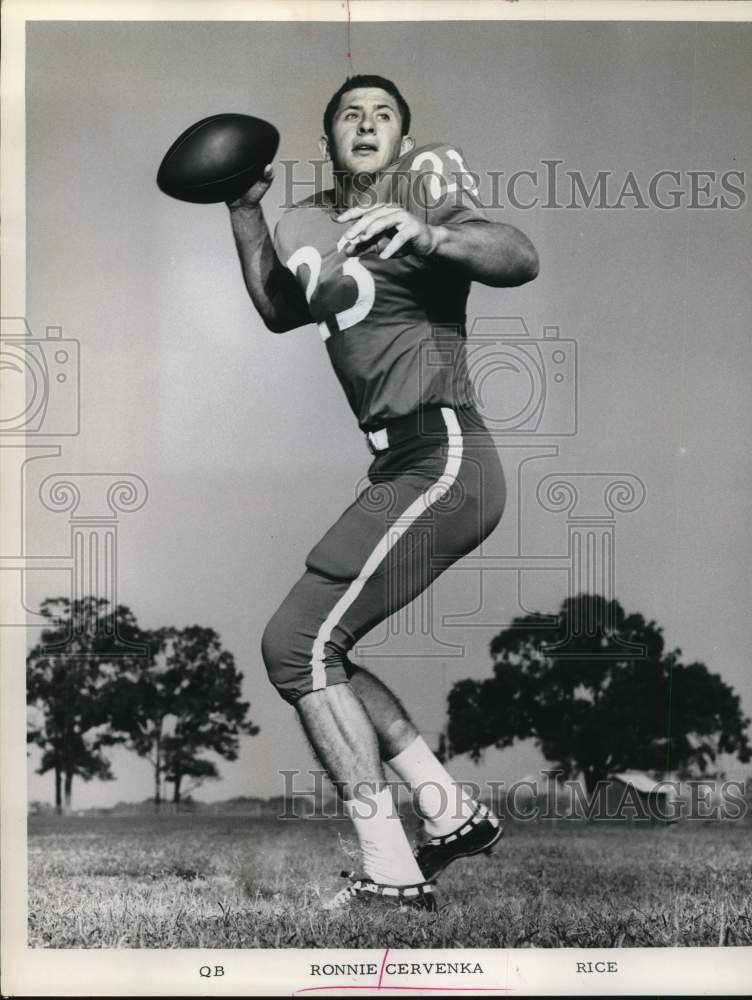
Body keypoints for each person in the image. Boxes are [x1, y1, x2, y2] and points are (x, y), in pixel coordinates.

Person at [227, 75, 538, 911]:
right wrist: (243, 206)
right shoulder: (303, 217)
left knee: (296, 645)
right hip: (396, 466)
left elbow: (517, 255)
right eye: (348, 116)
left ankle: (393, 872)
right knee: (318, 646)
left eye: (382, 115)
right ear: (324, 136)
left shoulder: (426, 177)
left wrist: (428, 236)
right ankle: (448, 814)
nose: (365, 125)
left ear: (403, 136)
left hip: (444, 452)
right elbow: (278, 309)